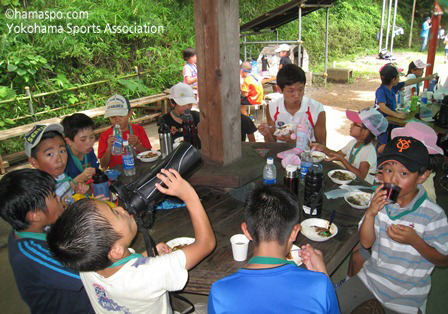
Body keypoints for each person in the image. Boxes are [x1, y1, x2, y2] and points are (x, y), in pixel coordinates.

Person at [47, 168, 215, 313]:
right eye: (115, 213)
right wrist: (190, 197)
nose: (120, 208)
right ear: (116, 250)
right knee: (205, 306)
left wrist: (144, 257)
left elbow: (121, 269)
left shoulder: (86, 266)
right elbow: (206, 244)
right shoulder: (150, 274)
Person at [337, 137, 448, 314]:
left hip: (406, 295)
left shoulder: (433, 215)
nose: (393, 180)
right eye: (388, 170)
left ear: (422, 176)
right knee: (328, 306)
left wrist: (415, 241)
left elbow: (443, 259)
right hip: (371, 279)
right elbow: (366, 243)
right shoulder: (380, 200)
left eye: (404, 174)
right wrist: (371, 213)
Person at [208, 185, 339, 314]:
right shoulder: (320, 286)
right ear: (295, 232)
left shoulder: (220, 292)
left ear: (246, 231)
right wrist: (322, 275)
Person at [0, 169, 94, 313]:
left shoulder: (31, 228)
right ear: (35, 215)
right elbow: (86, 276)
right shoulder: (30, 254)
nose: (59, 198)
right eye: (54, 196)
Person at [312, 108, 388, 184]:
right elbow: (338, 155)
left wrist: (343, 160)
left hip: (363, 186)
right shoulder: (354, 142)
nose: (351, 125)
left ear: (366, 132)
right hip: (352, 181)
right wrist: (323, 149)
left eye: (355, 124)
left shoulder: (368, 150)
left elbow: (361, 176)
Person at [258, 64, 327, 145]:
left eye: (301, 89)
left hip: (307, 156)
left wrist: (296, 142)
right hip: (281, 153)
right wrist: (267, 133)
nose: (297, 96)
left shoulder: (316, 109)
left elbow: (322, 146)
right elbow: (272, 143)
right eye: (291, 91)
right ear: (279, 89)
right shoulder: (272, 107)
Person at [25, 124, 89, 207]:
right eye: (50, 154)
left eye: (62, 151)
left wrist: (77, 194)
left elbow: (67, 200)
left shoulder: (61, 176)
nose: (59, 159)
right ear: (34, 162)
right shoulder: (40, 193)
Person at [375, 64, 434, 144]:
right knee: (383, 142)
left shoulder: (392, 87)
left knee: (392, 138)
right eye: (398, 77)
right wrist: (397, 115)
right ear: (393, 79)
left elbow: (409, 82)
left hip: (390, 120)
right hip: (382, 122)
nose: (399, 79)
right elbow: (382, 107)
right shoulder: (381, 91)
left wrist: (426, 78)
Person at [98, 94, 152, 169]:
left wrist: (137, 144)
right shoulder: (105, 136)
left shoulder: (139, 130)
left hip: (140, 169)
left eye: (120, 116)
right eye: (112, 117)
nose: (117, 120)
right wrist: (109, 148)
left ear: (130, 113)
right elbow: (103, 165)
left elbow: (150, 155)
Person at [61, 113, 99, 184]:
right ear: (69, 141)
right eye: (83, 139)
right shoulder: (63, 159)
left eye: (92, 137)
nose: (89, 143)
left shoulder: (89, 151)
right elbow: (60, 191)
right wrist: (80, 178)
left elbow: (96, 170)